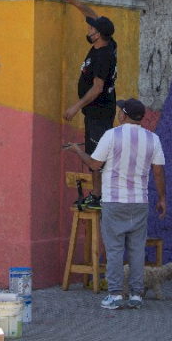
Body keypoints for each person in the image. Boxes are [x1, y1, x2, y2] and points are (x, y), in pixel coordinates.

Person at [64, 98, 166, 310]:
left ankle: (115, 294)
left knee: (114, 249)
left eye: (120, 111)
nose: (118, 113)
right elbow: (158, 171)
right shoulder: (153, 139)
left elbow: (94, 164)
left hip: (113, 201)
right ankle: (137, 295)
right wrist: (163, 198)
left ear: (123, 115)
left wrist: (77, 150)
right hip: (139, 202)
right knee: (137, 249)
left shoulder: (111, 135)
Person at [58, 0, 118, 209]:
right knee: (95, 153)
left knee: (96, 157)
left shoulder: (104, 56)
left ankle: (98, 196)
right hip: (95, 113)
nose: (88, 29)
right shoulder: (107, 42)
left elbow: (97, 88)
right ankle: (97, 194)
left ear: (98, 34)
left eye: (91, 28)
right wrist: (74, 2)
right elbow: (92, 14)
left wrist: (75, 107)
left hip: (99, 113)